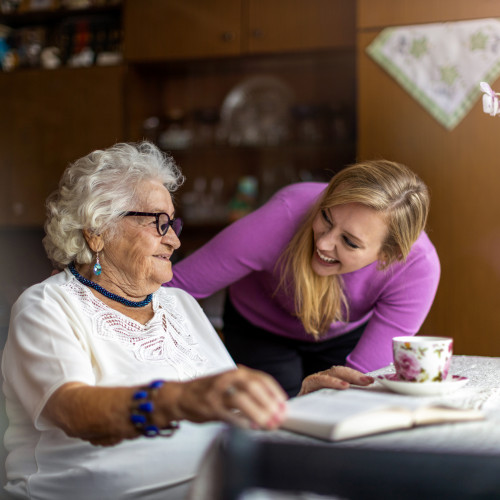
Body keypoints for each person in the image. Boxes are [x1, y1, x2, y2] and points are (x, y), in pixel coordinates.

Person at [1, 141, 372, 500]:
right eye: (158, 224)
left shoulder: (179, 304)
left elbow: (225, 403)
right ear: (97, 232)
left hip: (217, 484)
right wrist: (178, 399)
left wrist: (297, 402)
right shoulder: (47, 306)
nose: (174, 243)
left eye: (172, 225)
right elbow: (74, 410)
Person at [168, 160, 441, 397]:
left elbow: (360, 384)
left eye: (349, 241)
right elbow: (172, 288)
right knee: (270, 424)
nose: (324, 243)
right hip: (260, 327)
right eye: (326, 217)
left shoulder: (418, 268)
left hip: (344, 334)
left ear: (388, 255)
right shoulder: (284, 215)